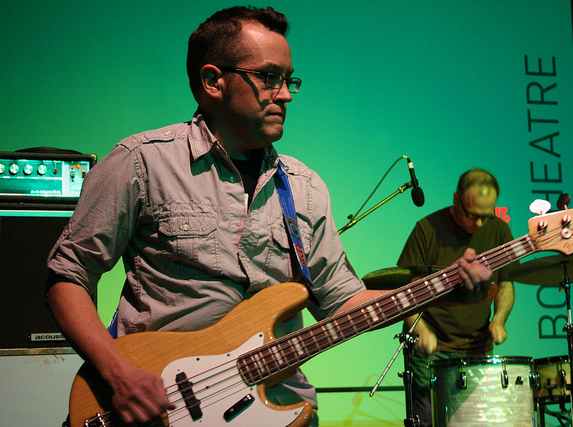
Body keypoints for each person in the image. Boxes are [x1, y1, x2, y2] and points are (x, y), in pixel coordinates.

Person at [45, 6, 492, 426]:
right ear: (213, 81)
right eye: (269, 77)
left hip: (278, 407)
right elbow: (67, 277)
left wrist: (444, 291)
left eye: (289, 80)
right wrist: (118, 374)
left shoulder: (304, 188)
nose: (285, 94)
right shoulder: (142, 162)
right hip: (160, 407)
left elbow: (342, 303)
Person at [397, 168, 516, 427]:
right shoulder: (427, 230)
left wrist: (499, 320)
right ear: (456, 199)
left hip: (477, 348)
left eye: (486, 216)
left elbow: (505, 284)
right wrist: (421, 329)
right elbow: (404, 293)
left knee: (475, 422)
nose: (480, 224)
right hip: (431, 352)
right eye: (473, 215)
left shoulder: (499, 231)